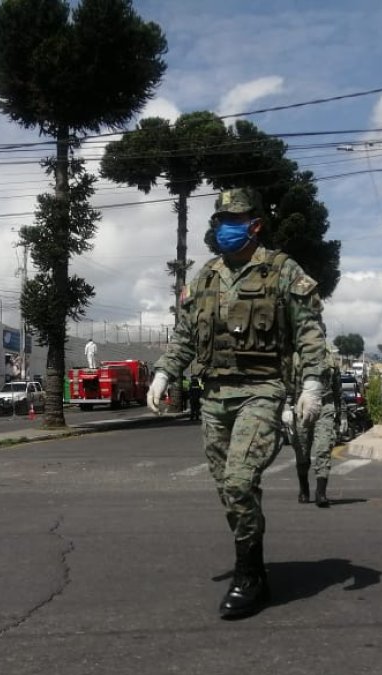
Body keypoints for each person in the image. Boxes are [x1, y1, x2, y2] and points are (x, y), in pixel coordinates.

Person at [147, 187, 327, 620]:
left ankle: (248, 577)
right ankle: (255, 563)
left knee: (238, 481)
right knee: (231, 490)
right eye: (221, 219)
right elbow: (187, 336)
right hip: (213, 397)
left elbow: (309, 329)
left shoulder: (282, 271)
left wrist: (313, 382)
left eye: (235, 219)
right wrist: (164, 372)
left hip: (261, 392)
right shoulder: (206, 276)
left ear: (255, 224)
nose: (225, 227)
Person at [293, 343, 341, 508]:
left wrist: (340, 416)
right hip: (302, 406)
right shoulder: (298, 355)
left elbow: (337, 387)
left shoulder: (330, 356)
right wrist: (286, 406)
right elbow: (289, 382)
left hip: (325, 406)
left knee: (323, 448)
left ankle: (321, 492)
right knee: (302, 451)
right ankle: (304, 487)